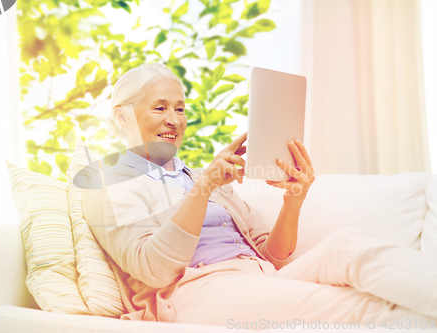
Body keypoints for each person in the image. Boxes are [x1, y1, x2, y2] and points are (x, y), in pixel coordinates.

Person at [82, 63, 437, 328]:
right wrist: (204, 188)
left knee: (348, 245)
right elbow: (153, 269)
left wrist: (294, 199)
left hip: (261, 278)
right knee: (360, 307)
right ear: (122, 116)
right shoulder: (109, 183)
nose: (174, 119)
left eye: (180, 108)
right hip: (195, 294)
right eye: (160, 108)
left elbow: (274, 255)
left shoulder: (200, 177)